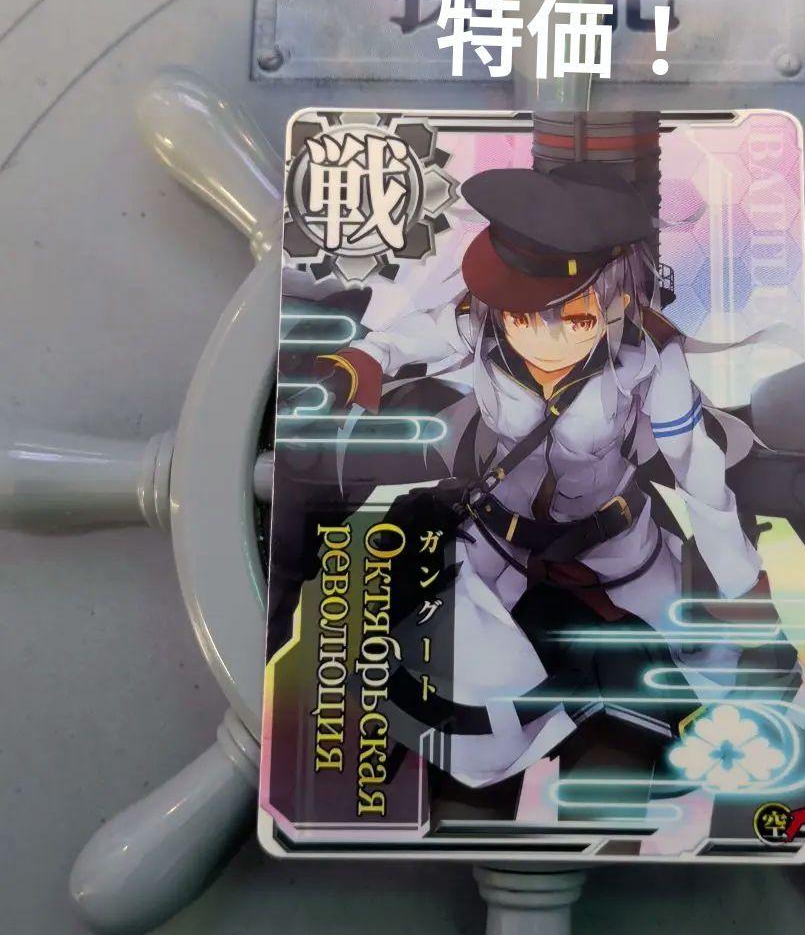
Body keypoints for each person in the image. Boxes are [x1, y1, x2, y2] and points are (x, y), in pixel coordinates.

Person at [314, 161, 771, 818]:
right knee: (465, 704)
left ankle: (603, 821)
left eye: (574, 319)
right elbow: (407, 339)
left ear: (619, 299)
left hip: (614, 551)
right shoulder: (480, 325)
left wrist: (739, 579)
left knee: (648, 696)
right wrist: (364, 358)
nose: (542, 337)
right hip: (496, 547)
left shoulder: (649, 360)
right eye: (525, 316)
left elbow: (695, 463)